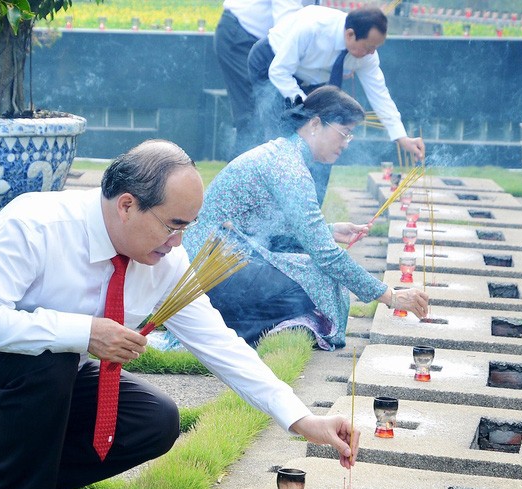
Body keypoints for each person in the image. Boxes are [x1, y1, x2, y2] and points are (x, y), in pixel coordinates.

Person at [0, 139, 359, 489]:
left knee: (152, 419)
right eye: (173, 225)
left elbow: (219, 344)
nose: (178, 241)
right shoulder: (36, 224)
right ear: (127, 204)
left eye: (188, 226)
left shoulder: (165, 260)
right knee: (54, 356)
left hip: (44, 385)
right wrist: (83, 332)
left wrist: (303, 418)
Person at [180, 86, 429, 350]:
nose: (345, 143)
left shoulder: (284, 155)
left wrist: (329, 229)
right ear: (315, 124)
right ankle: (232, 328)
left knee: (312, 274)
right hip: (208, 269)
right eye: (343, 133)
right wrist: (390, 296)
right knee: (315, 281)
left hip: (218, 257)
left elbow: (266, 224)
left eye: (350, 136)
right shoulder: (289, 169)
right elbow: (327, 255)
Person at [248, 5, 425, 204]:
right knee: (283, 142)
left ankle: (311, 212)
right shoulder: (312, 28)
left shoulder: (366, 54)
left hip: (312, 82)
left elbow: (380, 94)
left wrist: (401, 137)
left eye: (376, 48)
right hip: (272, 64)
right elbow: (279, 71)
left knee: (325, 141)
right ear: (350, 34)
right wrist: (308, 107)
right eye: (369, 47)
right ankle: (269, 209)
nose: (371, 53)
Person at [214, 0, 303, 158]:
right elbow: (290, 23)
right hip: (241, 36)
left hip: (267, 45)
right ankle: (239, 181)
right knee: (254, 117)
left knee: (267, 116)